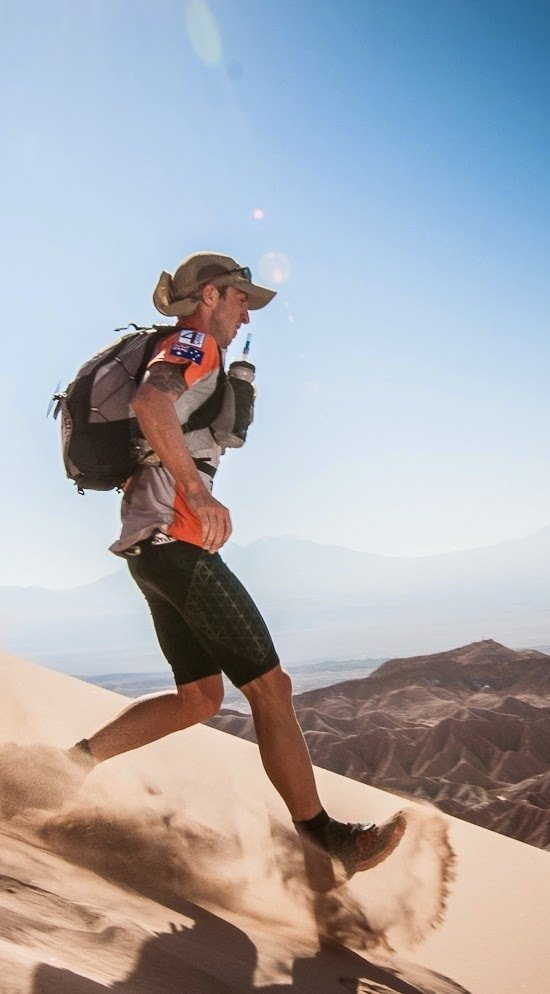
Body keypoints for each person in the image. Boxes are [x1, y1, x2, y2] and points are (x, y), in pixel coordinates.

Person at [67, 252, 403, 878]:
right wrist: (197, 492)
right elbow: (151, 402)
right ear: (213, 295)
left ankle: (65, 767)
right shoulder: (194, 342)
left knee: (198, 698)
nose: (249, 310)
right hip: (177, 543)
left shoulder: (190, 347)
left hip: (151, 549)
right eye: (243, 298)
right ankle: (327, 841)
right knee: (271, 689)